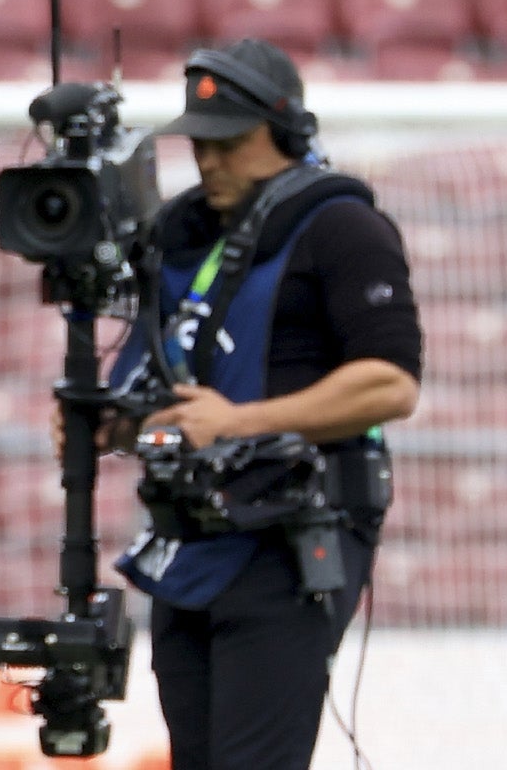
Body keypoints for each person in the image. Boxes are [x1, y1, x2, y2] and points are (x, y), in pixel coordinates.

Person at [99, 39, 422, 770]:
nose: (209, 162)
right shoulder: (179, 236)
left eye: (230, 144)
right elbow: (156, 384)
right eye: (200, 146)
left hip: (290, 538)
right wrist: (107, 421)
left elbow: (392, 383)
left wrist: (240, 422)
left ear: (284, 132)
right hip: (191, 538)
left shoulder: (343, 226)